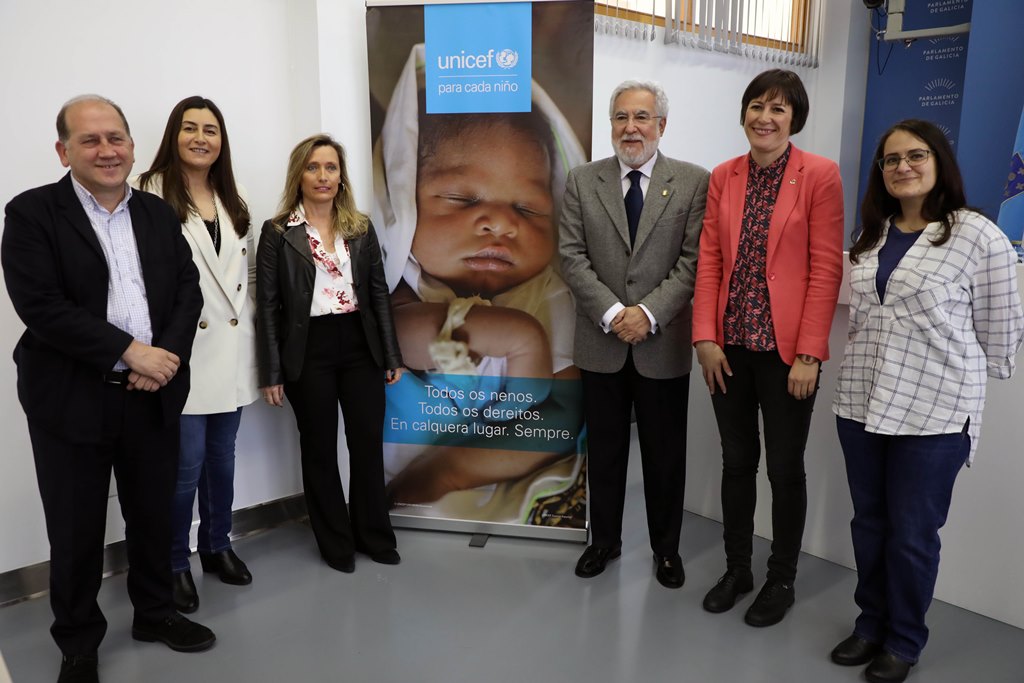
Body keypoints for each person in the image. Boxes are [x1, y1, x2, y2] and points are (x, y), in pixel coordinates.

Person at [1, 95, 214, 683]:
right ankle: (77, 643)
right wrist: (130, 351)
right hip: (71, 398)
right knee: (76, 528)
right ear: (62, 150)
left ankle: (155, 613)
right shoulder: (30, 214)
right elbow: (42, 307)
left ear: (131, 144)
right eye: (90, 140)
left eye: (115, 137)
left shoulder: (156, 212)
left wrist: (162, 359)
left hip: (152, 393)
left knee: (153, 514)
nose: (106, 150)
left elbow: (187, 290)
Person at [830, 119, 1024, 683]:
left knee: (913, 533)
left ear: (939, 162)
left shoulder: (975, 235)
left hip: (936, 411)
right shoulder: (871, 234)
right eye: (890, 160)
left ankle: (904, 640)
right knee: (869, 523)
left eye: (915, 156)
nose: (902, 167)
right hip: (862, 403)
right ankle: (870, 625)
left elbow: (1001, 330)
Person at [371, 43, 588, 525]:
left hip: (483, 457)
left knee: (560, 422)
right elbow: (397, 337)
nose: (500, 224)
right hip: (399, 443)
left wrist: (453, 467)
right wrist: (515, 335)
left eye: (528, 209)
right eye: (462, 199)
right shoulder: (401, 276)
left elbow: (560, 410)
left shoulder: (548, 292)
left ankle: (445, 472)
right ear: (401, 199)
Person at [692, 69, 844, 626]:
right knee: (736, 463)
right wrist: (705, 338)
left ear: (794, 118)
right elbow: (710, 259)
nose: (766, 117)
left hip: (786, 356)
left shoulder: (820, 175)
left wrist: (809, 353)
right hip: (729, 347)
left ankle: (781, 579)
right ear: (744, 113)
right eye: (757, 105)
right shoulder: (723, 176)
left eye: (779, 109)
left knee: (784, 468)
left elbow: (825, 269)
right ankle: (738, 568)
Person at [559, 80, 709, 588]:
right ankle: (604, 541)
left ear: (661, 126)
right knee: (604, 452)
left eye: (642, 117)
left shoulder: (692, 182)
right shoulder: (583, 180)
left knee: (665, 456)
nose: (631, 128)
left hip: (660, 344)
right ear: (611, 125)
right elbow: (571, 257)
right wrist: (612, 313)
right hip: (601, 344)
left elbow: (693, 262)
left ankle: (666, 550)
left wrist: (646, 312)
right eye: (622, 117)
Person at [256, 134, 404, 574]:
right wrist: (272, 371)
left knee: (366, 444)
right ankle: (335, 542)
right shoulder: (278, 232)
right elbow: (267, 306)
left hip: (361, 345)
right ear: (299, 175)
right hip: (309, 348)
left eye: (331, 167)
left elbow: (378, 294)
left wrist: (391, 355)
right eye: (313, 167)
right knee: (319, 448)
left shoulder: (359, 227)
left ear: (341, 177)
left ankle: (374, 534)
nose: (323, 176)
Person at [134, 95, 259, 614]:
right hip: (181, 349)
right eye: (190, 128)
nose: (201, 138)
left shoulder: (235, 194)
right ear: (174, 134)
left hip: (231, 348)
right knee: (183, 466)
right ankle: (174, 561)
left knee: (220, 460)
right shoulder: (148, 190)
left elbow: (245, 276)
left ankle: (217, 544)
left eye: (211, 130)